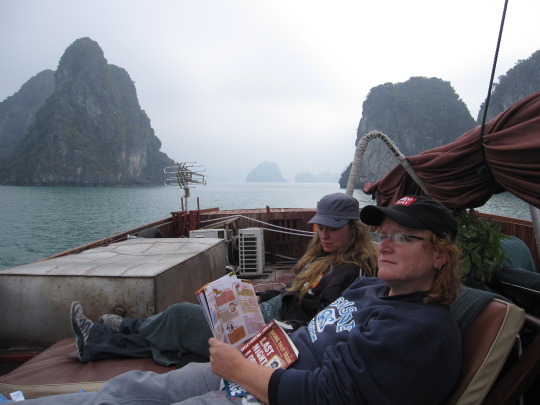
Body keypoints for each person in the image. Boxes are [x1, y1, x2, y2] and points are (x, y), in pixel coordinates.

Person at [26, 195, 463, 405]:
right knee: (133, 387)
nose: (386, 245)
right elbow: (310, 330)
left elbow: (328, 395)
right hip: (265, 363)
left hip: (268, 393)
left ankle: (106, 339)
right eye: (383, 235)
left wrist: (242, 371)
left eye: (403, 237)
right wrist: (253, 343)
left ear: (441, 255)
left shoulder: (418, 332)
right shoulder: (373, 289)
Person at [71, 192, 378, 366]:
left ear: (353, 228)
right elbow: (294, 292)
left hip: (278, 332)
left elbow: (322, 324)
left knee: (180, 316)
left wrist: (268, 323)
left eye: (333, 228)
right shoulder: (324, 258)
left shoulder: (350, 273)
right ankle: (98, 341)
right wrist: (257, 296)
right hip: (271, 314)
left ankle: (121, 328)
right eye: (320, 226)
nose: (324, 234)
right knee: (195, 320)